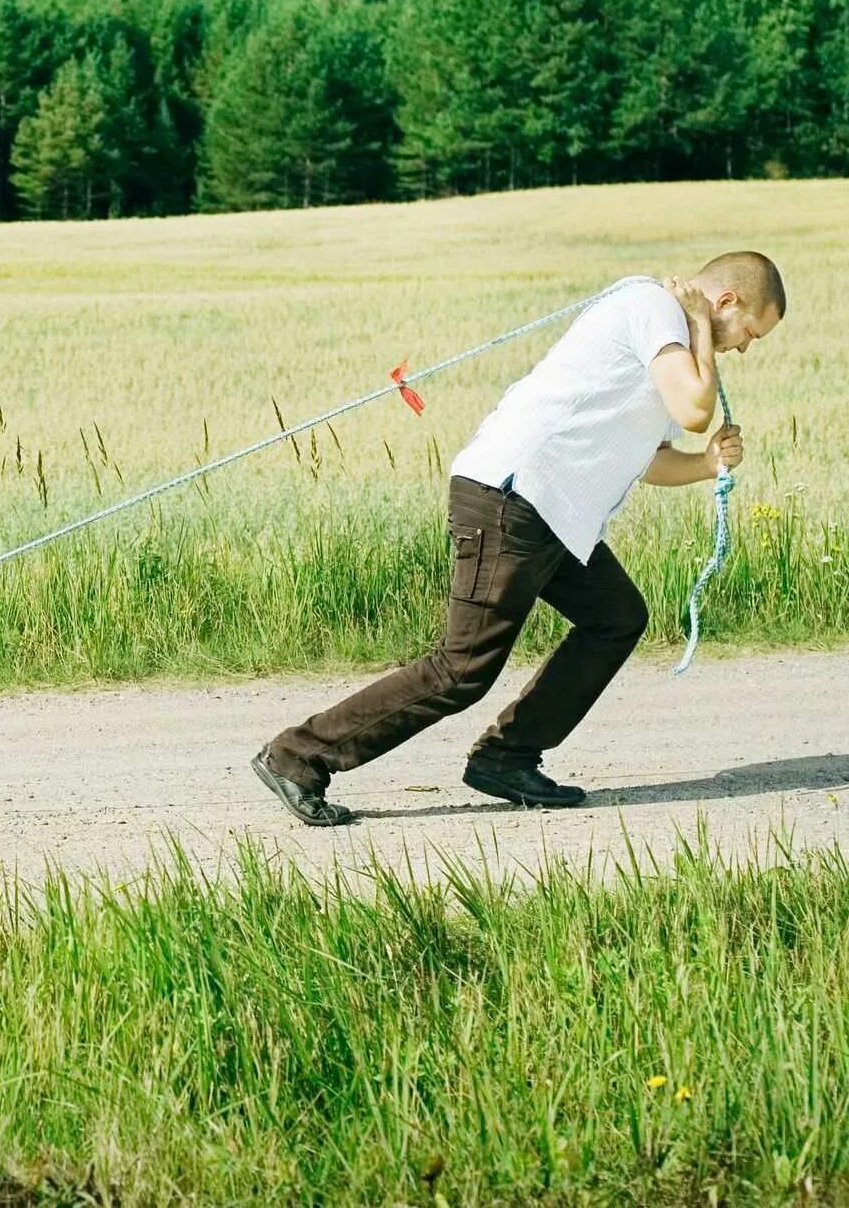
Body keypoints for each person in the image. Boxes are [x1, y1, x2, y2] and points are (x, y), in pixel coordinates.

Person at [252, 252, 786, 826]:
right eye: (748, 331)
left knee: (616, 616)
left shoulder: (671, 344)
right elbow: (695, 408)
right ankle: (297, 756)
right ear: (725, 301)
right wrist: (703, 326)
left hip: (552, 513)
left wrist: (705, 465)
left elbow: (651, 457)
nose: (744, 347)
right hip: (513, 498)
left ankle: (507, 757)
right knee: (462, 669)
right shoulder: (654, 309)